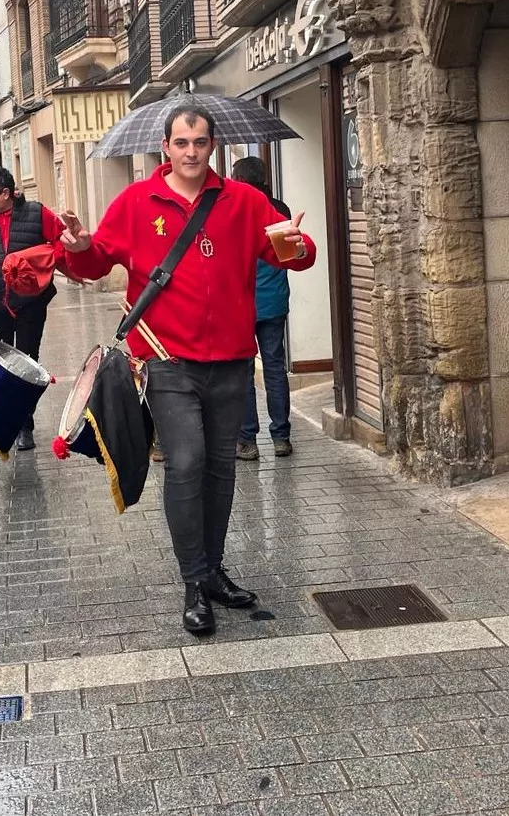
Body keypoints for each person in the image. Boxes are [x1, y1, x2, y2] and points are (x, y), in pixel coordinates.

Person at [62, 106, 318, 634]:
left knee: (221, 466)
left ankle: (215, 570)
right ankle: (194, 582)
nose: (191, 152)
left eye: (200, 142)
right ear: (165, 146)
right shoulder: (136, 202)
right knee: (186, 461)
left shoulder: (244, 202)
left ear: (212, 145)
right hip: (166, 359)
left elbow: (293, 253)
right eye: (182, 142)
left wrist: (297, 246)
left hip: (230, 358)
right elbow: (95, 262)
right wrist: (82, 248)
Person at [0, 166, 70, 451]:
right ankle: (9, 423)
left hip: (30, 303)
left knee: (28, 363)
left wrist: (40, 263)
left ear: (7, 193)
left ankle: (26, 424)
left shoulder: (37, 213)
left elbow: (62, 244)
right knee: (3, 366)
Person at [230, 156, 294, 460]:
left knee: (243, 373)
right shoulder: (280, 210)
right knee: (274, 367)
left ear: (240, 180)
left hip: (242, 305)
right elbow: (289, 257)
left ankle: (247, 440)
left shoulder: (234, 210)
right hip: (275, 301)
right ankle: (281, 436)